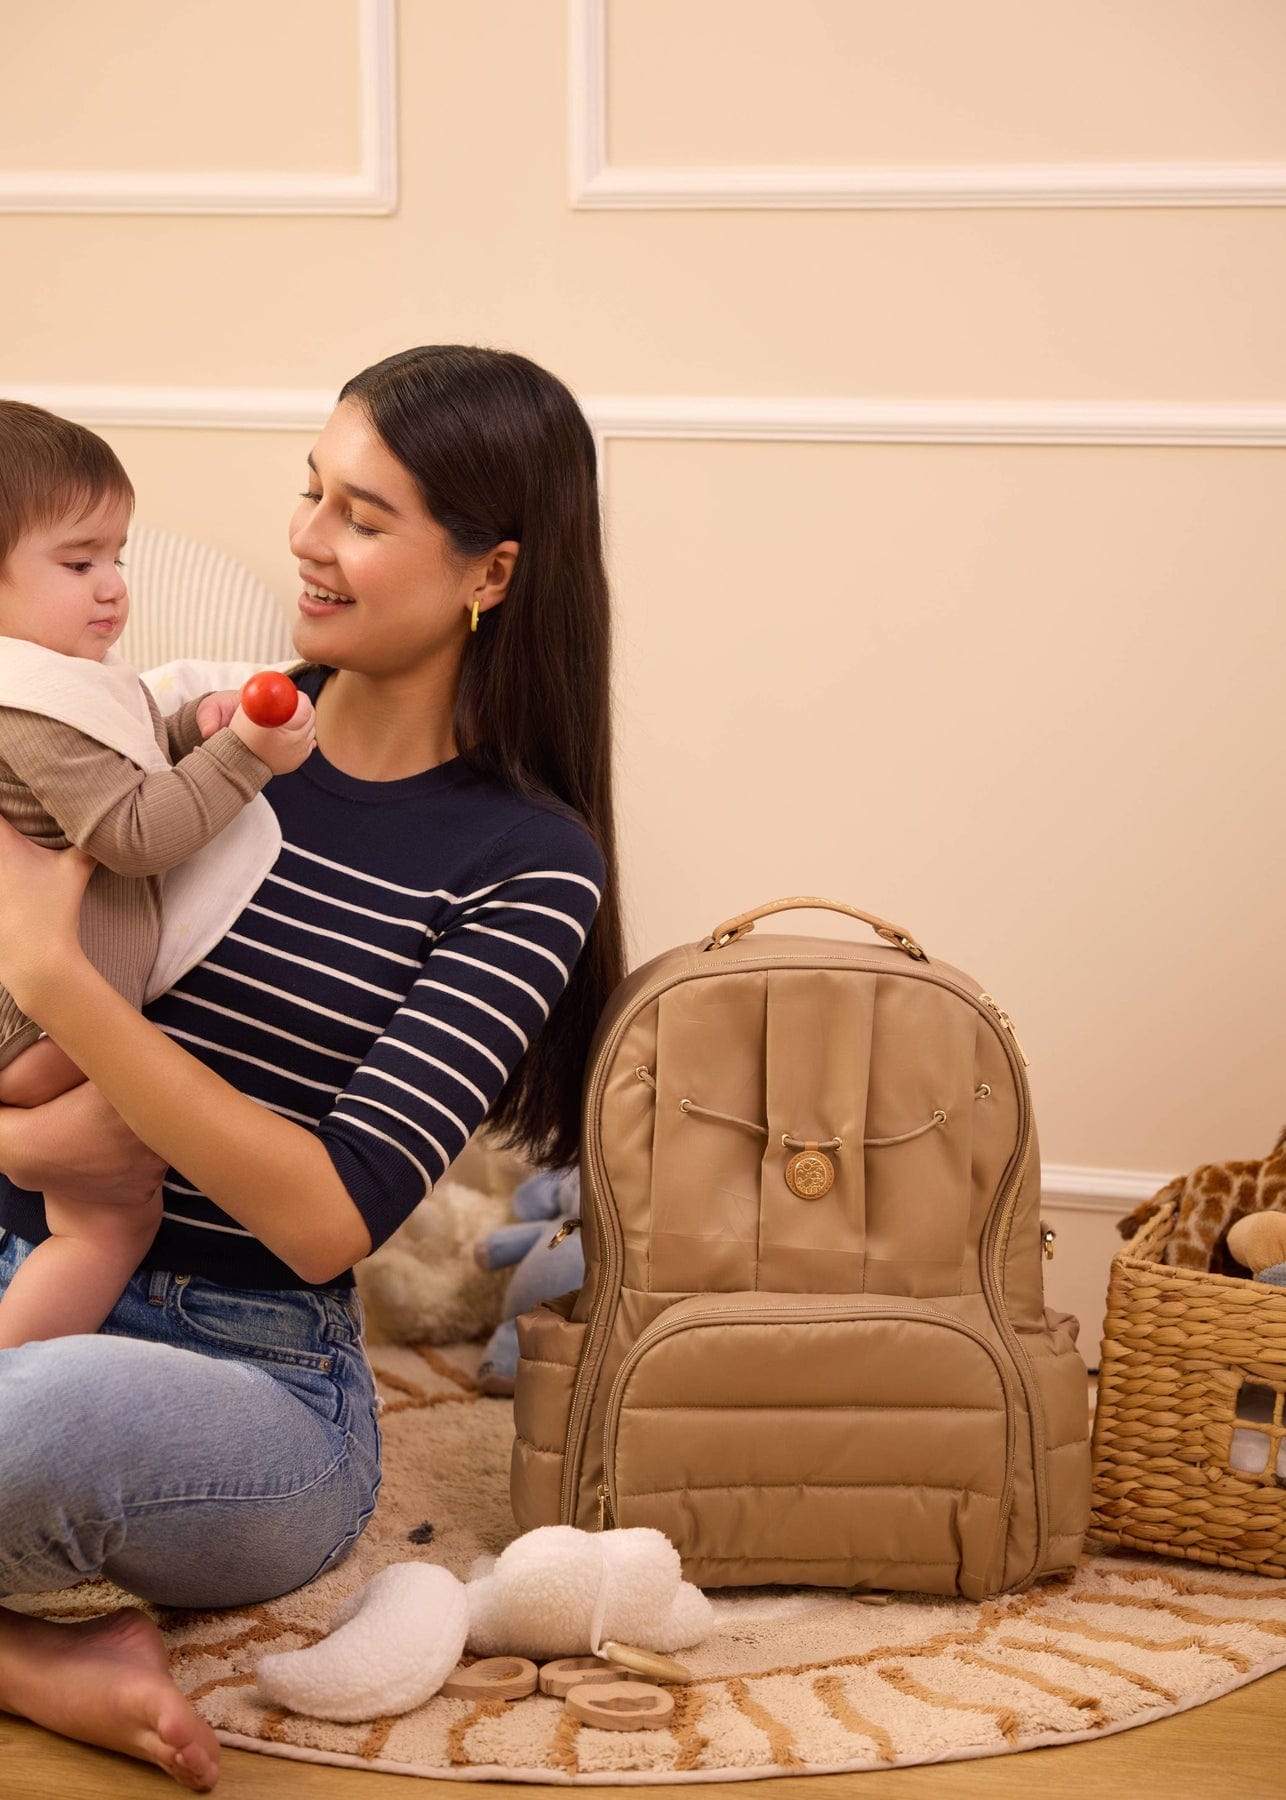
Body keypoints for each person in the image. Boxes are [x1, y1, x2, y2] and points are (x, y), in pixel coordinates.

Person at [0, 346, 624, 1791]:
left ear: (489, 572)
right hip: (27, 1255)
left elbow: (324, 1216)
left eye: (363, 513)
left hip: (253, 1377)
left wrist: (57, 988)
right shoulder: (181, 730)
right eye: (310, 491)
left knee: (25, 1428)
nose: (305, 537)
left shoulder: (527, 865)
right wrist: (30, 1152)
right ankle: (31, 1661)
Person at [0, 400, 317, 1350]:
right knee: (110, 1217)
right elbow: (135, 830)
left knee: (108, 1222)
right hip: (39, 1027)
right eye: (78, 561)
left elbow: (131, 757)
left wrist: (196, 726)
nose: (111, 588)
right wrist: (251, 756)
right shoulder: (28, 707)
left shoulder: (70, 684)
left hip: (48, 1017)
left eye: (118, 558)